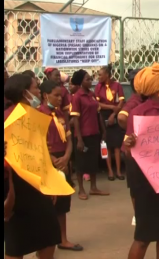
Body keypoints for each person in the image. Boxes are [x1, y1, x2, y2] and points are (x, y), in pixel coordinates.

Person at [123, 63, 159, 259]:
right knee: (143, 236)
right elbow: (128, 151)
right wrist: (130, 144)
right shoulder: (139, 113)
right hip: (146, 183)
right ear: (158, 88)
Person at [4, 74, 61, 259]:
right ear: (25, 93)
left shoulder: (34, 116)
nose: (39, 92)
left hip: (36, 185)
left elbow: (39, 152)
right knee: (16, 243)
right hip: (16, 186)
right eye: (36, 88)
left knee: (49, 236)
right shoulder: (10, 118)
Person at [38, 80, 84, 252]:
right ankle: (44, 244)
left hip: (63, 159)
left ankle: (63, 239)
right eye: (56, 95)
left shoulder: (60, 114)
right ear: (45, 95)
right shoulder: (39, 114)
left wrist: (66, 157)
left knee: (63, 204)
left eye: (61, 95)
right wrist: (51, 158)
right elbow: (38, 141)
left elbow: (69, 139)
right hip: (47, 160)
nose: (60, 98)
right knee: (47, 204)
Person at [70, 69, 109, 200]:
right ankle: (81, 189)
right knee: (81, 163)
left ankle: (93, 187)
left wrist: (103, 130)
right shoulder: (77, 97)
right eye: (87, 79)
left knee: (93, 161)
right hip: (83, 135)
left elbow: (98, 114)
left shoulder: (92, 95)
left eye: (90, 78)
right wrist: (79, 139)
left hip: (94, 133)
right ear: (81, 82)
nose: (90, 81)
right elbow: (75, 119)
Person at [118, 68, 144, 226]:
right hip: (132, 151)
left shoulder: (145, 100)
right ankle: (137, 214)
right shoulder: (134, 101)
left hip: (144, 151)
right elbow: (122, 117)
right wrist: (132, 131)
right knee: (135, 186)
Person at [95, 65, 126, 181]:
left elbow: (121, 101)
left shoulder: (117, 85)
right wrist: (110, 107)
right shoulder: (98, 87)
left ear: (107, 75)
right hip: (103, 115)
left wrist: (114, 113)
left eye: (100, 74)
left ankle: (118, 171)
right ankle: (110, 171)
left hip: (115, 114)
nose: (99, 77)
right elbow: (97, 104)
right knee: (106, 145)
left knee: (117, 145)